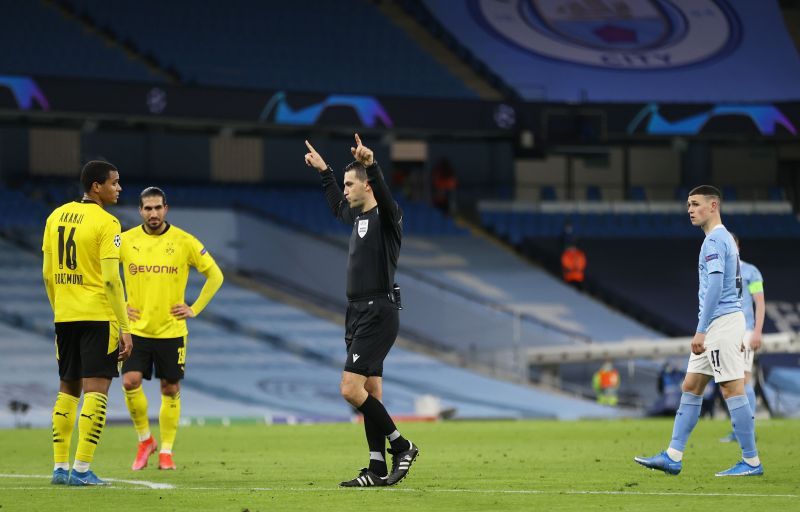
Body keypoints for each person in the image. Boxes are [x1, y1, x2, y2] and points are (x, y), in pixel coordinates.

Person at [304, 134, 419, 487]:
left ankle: (402, 446)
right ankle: (376, 466)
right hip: (356, 311)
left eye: (350, 184)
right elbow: (337, 206)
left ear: (367, 186)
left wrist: (371, 164)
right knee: (371, 390)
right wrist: (325, 171)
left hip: (378, 311)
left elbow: (383, 194)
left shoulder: (388, 216)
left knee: (350, 389)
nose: (346, 190)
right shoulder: (357, 219)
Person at [634, 185, 763, 477]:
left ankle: (751, 461)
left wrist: (702, 330)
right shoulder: (723, 238)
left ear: (713, 205)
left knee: (732, 389)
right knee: (691, 386)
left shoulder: (715, 241)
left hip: (720, 324)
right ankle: (673, 456)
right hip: (721, 323)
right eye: (688, 205)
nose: (689, 209)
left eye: (695, 204)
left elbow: (716, 285)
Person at [120, 187, 224, 471]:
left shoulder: (184, 241)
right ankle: (145, 440)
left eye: (157, 208)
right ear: (140, 211)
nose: (153, 214)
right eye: (147, 209)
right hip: (136, 330)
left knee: (170, 388)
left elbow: (215, 275)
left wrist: (195, 308)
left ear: (166, 208)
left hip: (171, 331)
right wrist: (118, 305)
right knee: (129, 381)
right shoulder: (125, 241)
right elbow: (102, 274)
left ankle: (166, 451)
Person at [43, 160, 133, 486]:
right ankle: (81, 469)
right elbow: (111, 280)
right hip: (98, 317)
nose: (119, 188)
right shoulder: (108, 224)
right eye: (114, 182)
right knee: (97, 390)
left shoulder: (54, 217)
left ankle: (58, 468)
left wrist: (61, 308)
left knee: (67, 388)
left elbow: (47, 274)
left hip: (65, 315)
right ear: (97, 187)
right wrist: (124, 326)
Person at [720, 233, 765, 442]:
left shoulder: (750, 271)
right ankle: (739, 428)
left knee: (744, 379)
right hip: (725, 333)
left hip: (745, 331)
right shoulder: (718, 273)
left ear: (737, 246)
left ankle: (748, 430)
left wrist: (756, 332)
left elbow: (760, 302)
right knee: (729, 383)